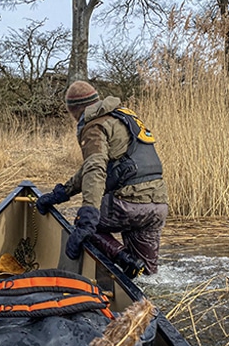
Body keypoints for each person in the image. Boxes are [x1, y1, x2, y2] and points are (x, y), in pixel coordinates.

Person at [35, 81, 169, 277]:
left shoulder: (94, 126)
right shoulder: (123, 118)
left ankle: (123, 257)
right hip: (157, 206)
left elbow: (94, 170)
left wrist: (88, 216)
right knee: (146, 277)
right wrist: (61, 193)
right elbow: (98, 167)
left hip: (128, 203)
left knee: (87, 228)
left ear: (74, 110)